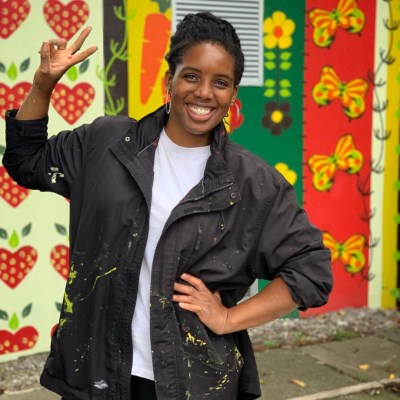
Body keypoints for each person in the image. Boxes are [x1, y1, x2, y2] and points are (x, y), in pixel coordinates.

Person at [2, 12, 332, 400]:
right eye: (191, 76)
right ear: (168, 83)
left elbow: (310, 271)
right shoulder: (106, 144)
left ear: (232, 97)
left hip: (193, 382)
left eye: (220, 83)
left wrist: (228, 317)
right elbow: (26, 161)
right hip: (97, 374)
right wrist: (43, 84)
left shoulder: (252, 183)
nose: (205, 92)